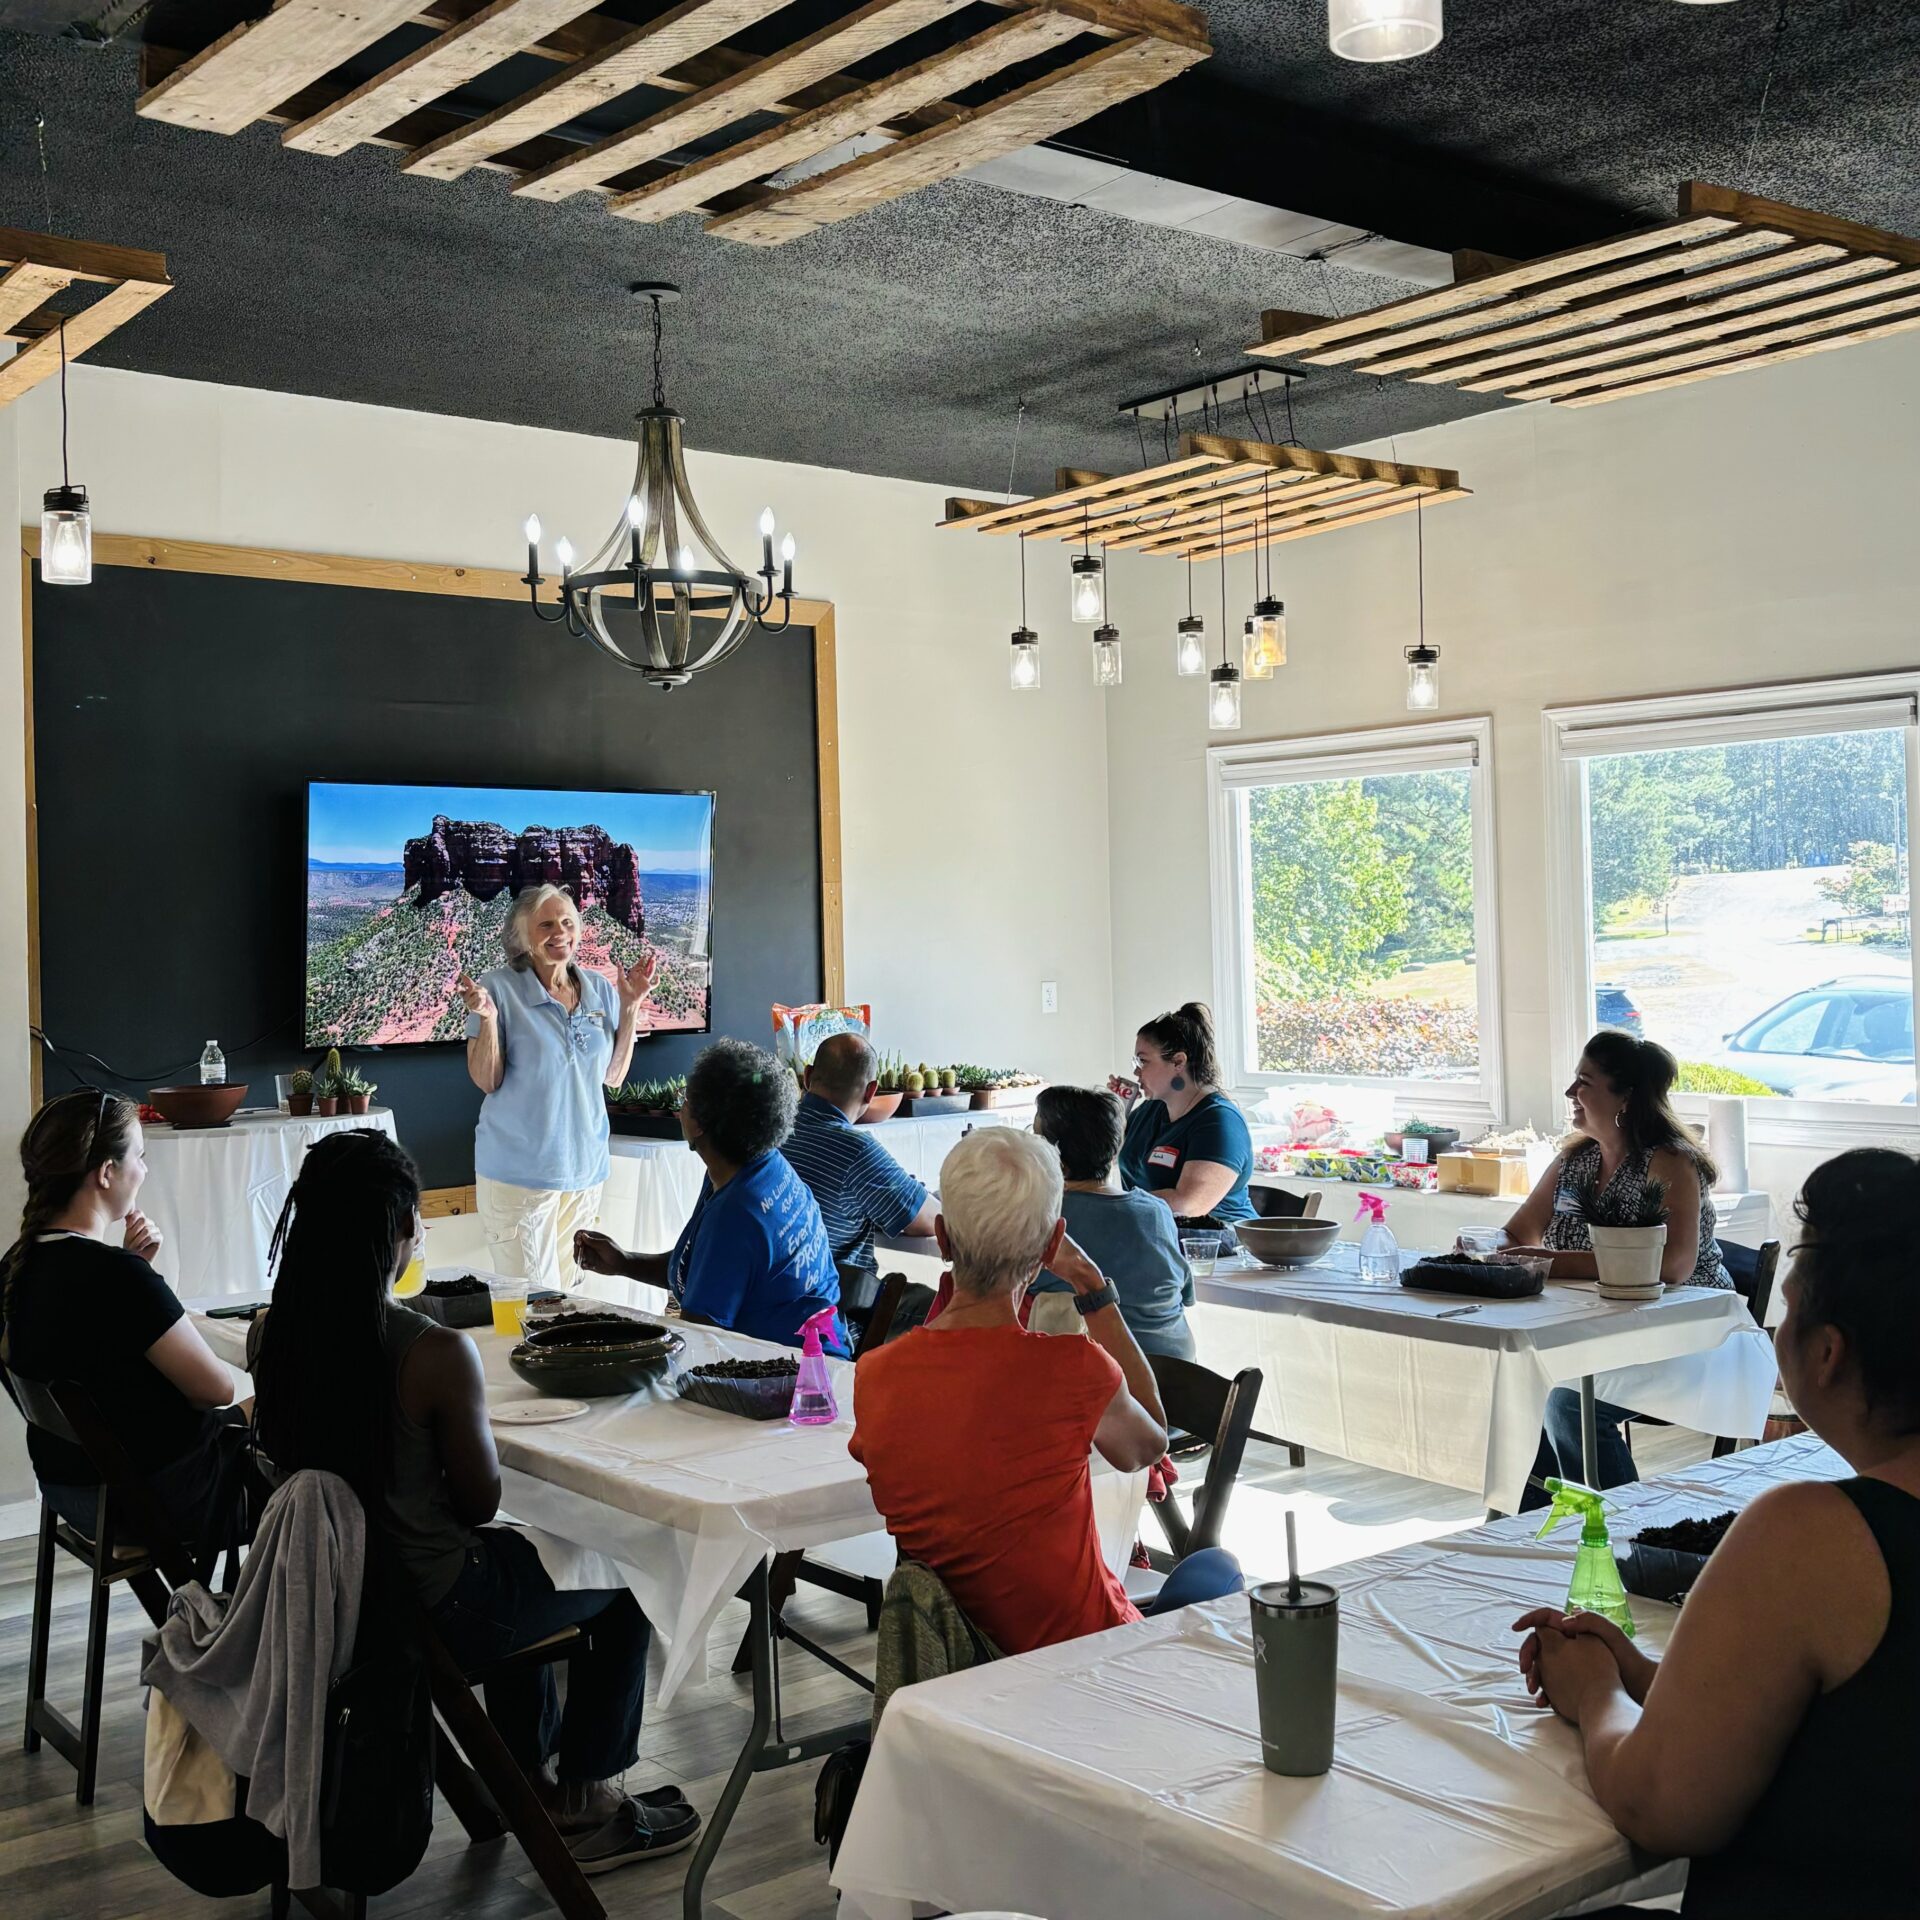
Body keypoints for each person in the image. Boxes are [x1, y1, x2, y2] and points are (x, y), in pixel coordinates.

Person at [249, 1129, 698, 1871]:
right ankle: (586, 1799)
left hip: (343, 1598)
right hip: (432, 1603)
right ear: (397, 1231)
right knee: (622, 1572)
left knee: (532, 1561)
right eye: (416, 1220)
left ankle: (525, 1779)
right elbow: (480, 1501)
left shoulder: (273, 1336)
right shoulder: (429, 1351)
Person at [1513, 1147, 1920, 1918]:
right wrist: (1641, 1671)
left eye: (1788, 1314)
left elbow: (1662, 1805)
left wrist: (1596, 1692)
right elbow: (1864, 1724)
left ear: (1828, 1354)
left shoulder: (1816, 1535)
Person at [850, 1127, 1241, 1657]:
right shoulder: (1072, 1367)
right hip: (1082, 1656)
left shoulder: (876, 1375)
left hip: (967, 1661)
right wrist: (1092, 1287)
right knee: (1217, 1568)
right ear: (1054, 1243)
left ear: (942, 1238)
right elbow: (1149, 1446)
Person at [0, 1089, 254, 1555]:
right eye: (140, 1155)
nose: (145, 1170)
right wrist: (138, 1276)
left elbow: (100, 1352)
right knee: (300, 1400)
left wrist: (135, 1271)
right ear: (106, 1172)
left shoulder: (14, 1268)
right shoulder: (117, 1277)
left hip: (74, 1496)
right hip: (165, 1502)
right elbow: (216, 1391)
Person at [1504, 1032, 1730, 1500]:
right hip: (1596, 1331)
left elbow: (1673, 1268)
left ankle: (1626, 1535)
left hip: (1686, 1336)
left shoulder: (1669, 1163)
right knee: (1514, 1392)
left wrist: (1551, 1263)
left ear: (1625, 1096)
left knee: (1568, 1405)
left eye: (1584, 1082)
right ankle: (1536, 1530)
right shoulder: (1575, 1160)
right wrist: (1487, 1248)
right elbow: (1517, 1233)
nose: (1571, 1094)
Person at [574, 1037, 844, 1352]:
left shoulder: (736, 1213)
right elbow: (706, 1271)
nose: (680, 1107)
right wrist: (624, 1262)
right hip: (814, 1358)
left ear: (701, 1125)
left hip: (796, 1378)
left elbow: (697, 1342)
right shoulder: (761, 1168)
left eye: (686, 1099)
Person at [456, 882, 656, 1294]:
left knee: (572, 1301)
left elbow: (613, 1077)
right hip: (519, 1177)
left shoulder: (599, 988)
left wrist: (631, 1006)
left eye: (567, 922)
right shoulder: (497, 989)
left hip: (584, 1173)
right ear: (522, 938)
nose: (559, 932)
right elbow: (486, 1080)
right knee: (533, 1304)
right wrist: (489, 1020)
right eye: (545, 924)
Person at [1031, 1085, 1197, 1361]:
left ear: (1054, 1156)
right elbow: (1184, 1293)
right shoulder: (1155, 1211)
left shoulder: (1042, 1217)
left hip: (1104, 1382)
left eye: (1035, 1139)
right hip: (1179, 1375)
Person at [784, 1033, 938, 1286]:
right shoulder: (856, 1151)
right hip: (830, 1312)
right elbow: (929, 1220)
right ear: (871, 1091)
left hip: (764, 1304)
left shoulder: (770, 1130)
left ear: (808, 1076)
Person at [1108, 1001, 1255, 1228]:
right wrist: (1115, 1111)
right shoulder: (1152, 1108)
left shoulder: (1219, 1121)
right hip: (1158, 1237)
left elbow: (1189, 1203)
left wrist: (1115, 1204)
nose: (1136, 1071)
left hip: (1219, 1248)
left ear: (1178, 1061)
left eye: (1143, 1061)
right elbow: (1102, 1158)